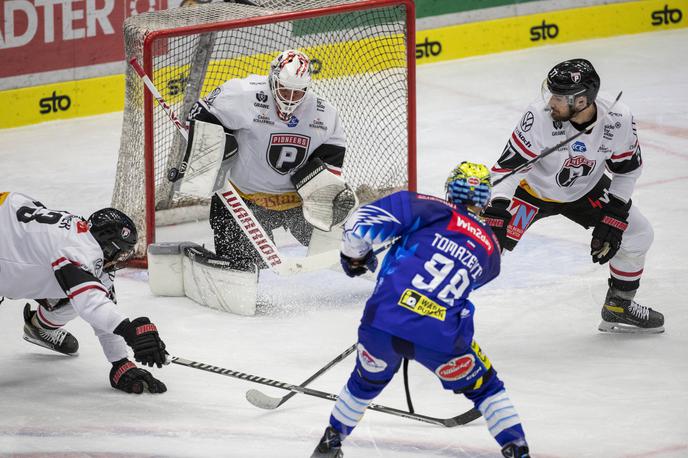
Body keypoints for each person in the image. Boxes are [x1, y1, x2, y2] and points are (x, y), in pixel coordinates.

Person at [311, 163, 530, 458]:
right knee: (487, 388)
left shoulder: (428, 206)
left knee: (365, 382)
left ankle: (330, 442)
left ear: (450, 188)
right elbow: (464, 285)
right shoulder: (491, 248)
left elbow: (360, 222)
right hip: (441, 336)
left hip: (382, 324)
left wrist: (356, 259)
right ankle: (517, 449)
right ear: (485, 199)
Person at [482, 58, 662, 333]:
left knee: (638, 233)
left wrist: (615, 213)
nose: (551, 101)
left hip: (585, 189)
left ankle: (619, 305)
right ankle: (429, 310)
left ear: (581, 101)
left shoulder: (617, 119)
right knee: (482, 248)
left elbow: (627, 170)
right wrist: (496, 211)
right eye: (551, 93)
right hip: (529, 192)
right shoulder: (539, 117)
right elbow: (507, 170)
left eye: (559, 97)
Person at [186, 49, 356, 271]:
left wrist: (326, 195)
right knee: (249, 268)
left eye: (298, 93)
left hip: (297, 202)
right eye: (285, 90)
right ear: (273, 79)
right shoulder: (242, 95)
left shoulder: (324, 114)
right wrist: (210, 156)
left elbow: (331, 163)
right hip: (244, 200)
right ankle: (241, 267)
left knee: (343, 245)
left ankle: (368, 261)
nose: (290, 98)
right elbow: (200, 116)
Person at [0, 192, 169, 394]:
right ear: (109, 248)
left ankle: (38, 327)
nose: (120, 260)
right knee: (80, 293)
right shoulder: (79, 250)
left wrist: (121, 364)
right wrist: (129, 330)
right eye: (121, 253)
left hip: (11, 215)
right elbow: (89, 303)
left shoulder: (85, 239)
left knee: (75, 295)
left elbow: (101, 305)